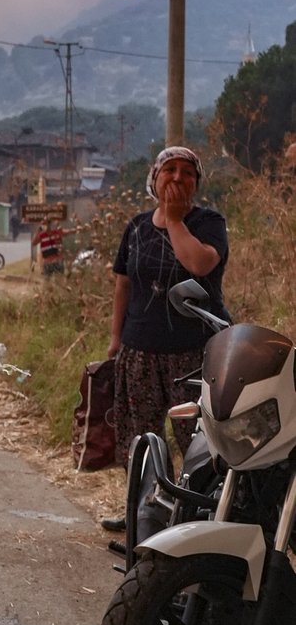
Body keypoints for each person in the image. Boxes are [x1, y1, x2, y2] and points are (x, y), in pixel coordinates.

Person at [102, 146, 229, 531]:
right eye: (168, 170)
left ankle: (194, 518)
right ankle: (142, 513)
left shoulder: (208, 221)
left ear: (196, 182)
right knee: (140, 436)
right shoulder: (137, 226)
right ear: (154, 179)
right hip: (140, 349)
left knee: (197, 440)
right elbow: (123, 284)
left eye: (186, 172)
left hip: (193, 352)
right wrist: (115, 338)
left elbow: (201, 263)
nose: (177, 178)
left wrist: (174, 221)